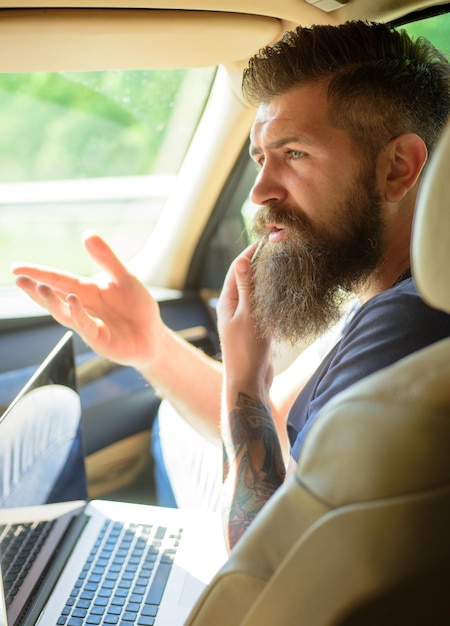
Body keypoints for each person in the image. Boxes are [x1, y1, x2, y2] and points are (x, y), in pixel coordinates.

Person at [11, 21, 450, 552]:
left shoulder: (407, 326)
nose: (261, 191)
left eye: (294, 154)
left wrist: (245, 381)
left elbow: (275, 568)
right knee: (170, 426)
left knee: (44, 429)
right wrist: (150, 344)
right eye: (261, 159)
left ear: (398, 168)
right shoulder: (383, 295)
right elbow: (278, 418)